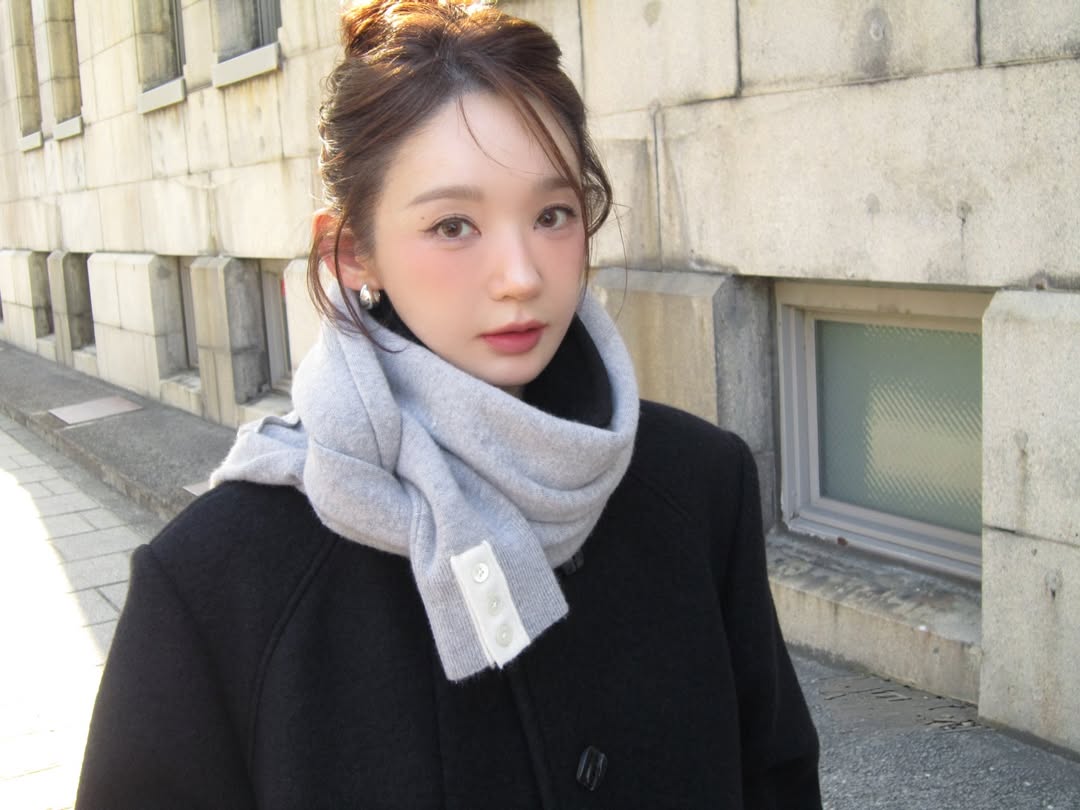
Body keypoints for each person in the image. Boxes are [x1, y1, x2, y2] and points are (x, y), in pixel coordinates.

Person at [75, 1, 821, 807]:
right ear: (352, 253)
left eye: (552, 215)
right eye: (454, 225)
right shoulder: (217, 581)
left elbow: (775, 776)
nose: (521, 276)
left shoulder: (700, 485)